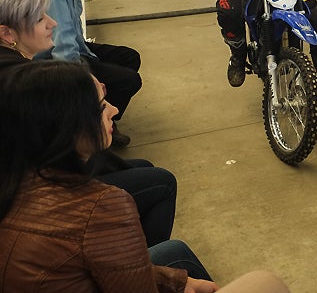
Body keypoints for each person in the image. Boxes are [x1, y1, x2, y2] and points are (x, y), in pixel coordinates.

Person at [0, 60, 291, 293]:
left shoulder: (16, 176)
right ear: (68, 129)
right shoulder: (102, 206)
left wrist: (176, 282)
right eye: (102, 107)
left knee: (175, 253)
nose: (114, 110)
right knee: (266, 283)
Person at [0, 0, 177, 248]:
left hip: (29, 188)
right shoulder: (24, 82)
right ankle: (145, 261)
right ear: (8, 34)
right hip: (36, 199)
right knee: (162, 182)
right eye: (39, 19)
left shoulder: (19, 70)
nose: (52, 22)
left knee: (144, 169)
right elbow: (64, 155)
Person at [13, 0, 142, 147]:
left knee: (129, 57)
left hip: (62, 47)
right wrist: (85, 80)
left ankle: (104, 116)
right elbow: (61, 45)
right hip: (45, 61)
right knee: (128, 80)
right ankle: (90, 128)